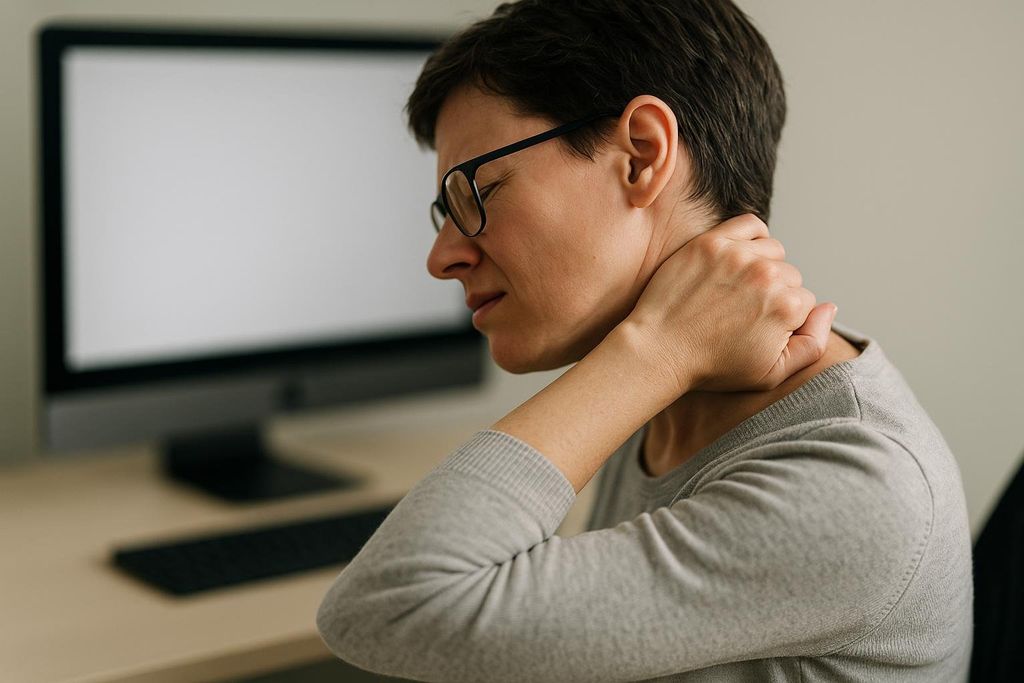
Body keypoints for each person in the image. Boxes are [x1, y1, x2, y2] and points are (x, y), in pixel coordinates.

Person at [317, 1, 973, 680]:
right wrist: (657, 355)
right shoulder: (668, 392)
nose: (443, 255)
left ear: (641, 155)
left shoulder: (856, 485)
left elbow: (389, 606)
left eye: (477, 192)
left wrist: (657, 351)